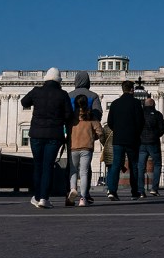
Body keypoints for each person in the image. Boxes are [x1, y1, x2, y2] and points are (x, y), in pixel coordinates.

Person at [20, 67, 73, 209]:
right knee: (48, 166)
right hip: (54, 135)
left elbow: (24, 102)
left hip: (36, 134)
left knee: (38, 166)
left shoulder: (36, 91)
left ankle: (37, 196)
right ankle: (44, 197)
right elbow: (68, 115)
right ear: (59, 81)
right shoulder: (63, 94)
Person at [67, 71, 103, 205]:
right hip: (87, 142)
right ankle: (84, 196)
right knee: (85, 172)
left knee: (72, 170)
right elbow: (98, 115)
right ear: (88, 82)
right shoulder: (93, 96)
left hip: (72, 142)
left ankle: (71, 190)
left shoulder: (69, 95)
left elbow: (64, 117)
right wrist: (93, 134)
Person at [105, 80, 145, 201]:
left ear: (122, 89)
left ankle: (112, 190)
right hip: (132, 139)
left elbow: (110, 122)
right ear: (132, 89)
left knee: (116, 165)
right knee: (134, 166)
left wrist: (117, 130)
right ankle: (134, 192)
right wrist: (135, 133)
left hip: (118, 139)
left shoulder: (115, 104)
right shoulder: (136, 103)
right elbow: (140, 122)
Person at [138, 97, 164, 197]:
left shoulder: (140, 114)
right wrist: (156, 135)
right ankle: (154, 188)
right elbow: (163, 128)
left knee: (141, 167)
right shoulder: (157, 114)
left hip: (141, 143)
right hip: (153, 142)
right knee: (157, 165)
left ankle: (141, 190)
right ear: (153, 105)